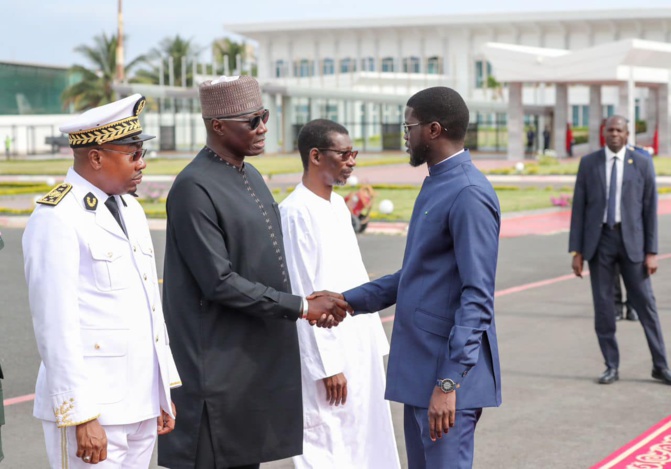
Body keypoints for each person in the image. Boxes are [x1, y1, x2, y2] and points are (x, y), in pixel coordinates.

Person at [159, 76, 348, 469]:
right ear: (218, 126)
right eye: (253, 121)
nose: (264, 128)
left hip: (252, 369)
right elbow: (218, 281)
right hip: (216, 372)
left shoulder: (251, 175)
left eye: (264, 117)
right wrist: (300, 307)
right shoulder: (194, 187)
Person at [314, 87, 502, 468]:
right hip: (422, 372)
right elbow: (418, 274)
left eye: (409, 125)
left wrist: (449, 382)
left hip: (445, 378)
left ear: (434, 130)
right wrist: (349, 300)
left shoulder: (467, 192)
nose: (405, 133)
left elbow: (477, 295)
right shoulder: (439, 181)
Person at [22, 94, 181, 467]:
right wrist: (81, 413)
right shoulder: (57, 217)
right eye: (133, 155)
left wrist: (159, 393)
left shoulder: (132, 208)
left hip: (139, 404)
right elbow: (54, 326)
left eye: (142, 153)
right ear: (96, 157)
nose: (142, 164)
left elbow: (148, 309)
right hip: (94, 412)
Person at [280, 119, 400, 469]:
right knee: (328, 445)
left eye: (354, 153)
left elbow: (353, 274)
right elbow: (303, 293)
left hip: (359, 343)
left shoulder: (337, 206)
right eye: (344, 153)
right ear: (315, 156)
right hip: (328, 355)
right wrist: (327, 366)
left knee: (368, 439)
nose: (352, 161)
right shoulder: (295, 212)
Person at [569, 115, 671, 385]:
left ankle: (660, 366)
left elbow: (650, 210)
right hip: (599, 243)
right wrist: (577, 251)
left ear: (627, 135)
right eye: (610, 130)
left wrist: (651, 252)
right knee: (603, 308)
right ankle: (611, 366)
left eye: (619, 130)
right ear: (604, 133)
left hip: (633, 245)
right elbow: (579, 208)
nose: (614, 134)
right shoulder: (589, 163)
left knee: (646, 306)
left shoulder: (642, 163)